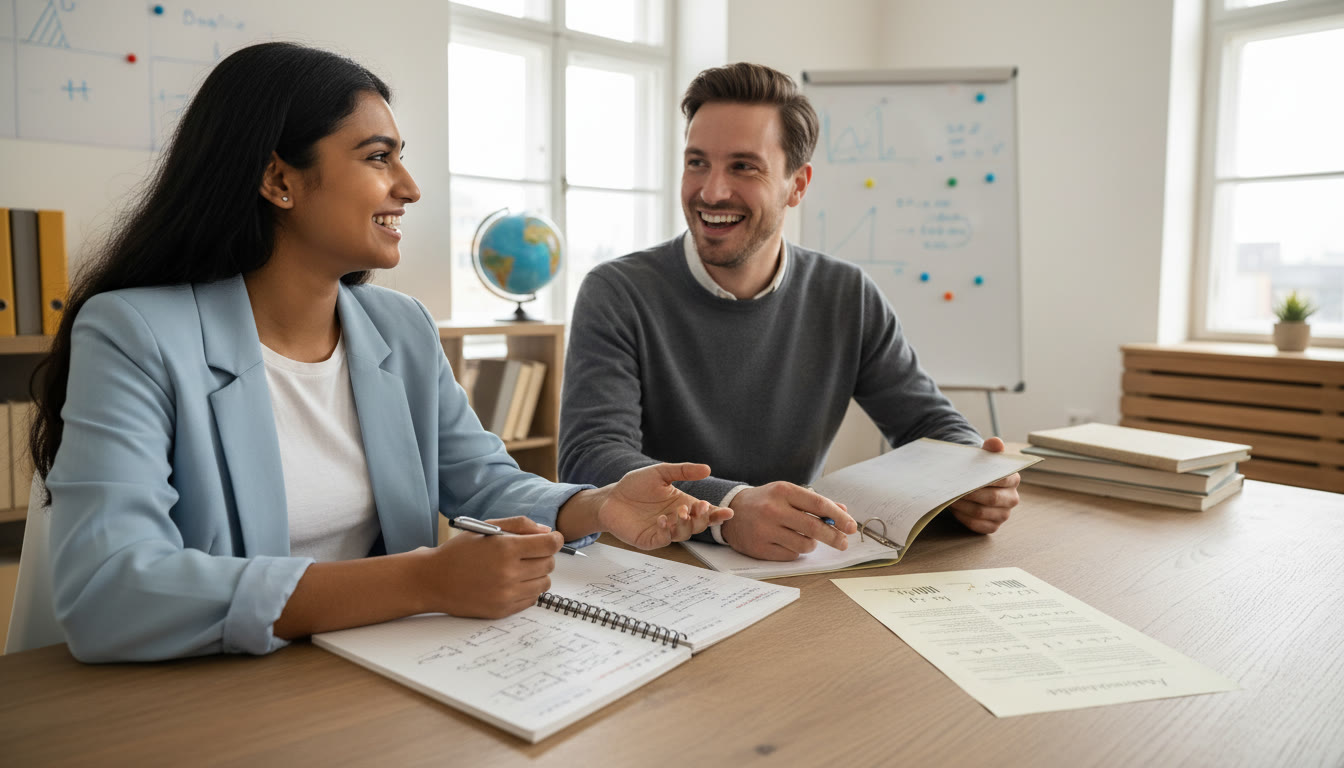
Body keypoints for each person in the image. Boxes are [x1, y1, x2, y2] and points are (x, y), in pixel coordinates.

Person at [28, 42, 730, 664]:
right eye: (377, 157)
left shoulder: (399, 327)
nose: (410, 187)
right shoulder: (133, 333)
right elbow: (109, 589)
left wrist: (600, 506)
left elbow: (483, 483)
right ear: (279, 180)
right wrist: (423, 580)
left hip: (374, 675)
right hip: (217, 694)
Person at [559, 62, 1019, 562]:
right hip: (648, 566)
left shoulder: (847, 294)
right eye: (697, 163)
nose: (711, 191)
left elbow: (930, 424)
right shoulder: (617, 292)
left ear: (797, 186)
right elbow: (590, 460)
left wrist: (973, 480)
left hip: (790, 568)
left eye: (743, 166)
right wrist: (732, 508)